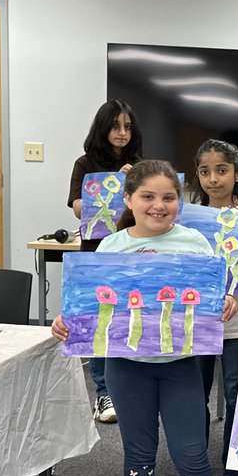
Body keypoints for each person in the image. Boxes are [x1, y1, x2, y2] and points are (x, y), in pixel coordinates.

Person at [51, 159, 238, 476]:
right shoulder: (110, 248)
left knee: (192, 455)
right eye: (148, 197)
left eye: (169, 197)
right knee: (138, 455)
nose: (159, 205)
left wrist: (222, 304)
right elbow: (86, 309)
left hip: (181, 368)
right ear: (130, 200)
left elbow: (213, 299)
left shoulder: (195, 243)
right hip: (127, 369)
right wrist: (67, 322)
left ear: (180, 201)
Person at [186, 138, 238, 476]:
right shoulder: (187, 216)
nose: (212, 178)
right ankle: (194, 474)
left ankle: (236, 475)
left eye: (221, 170)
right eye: (204, 171)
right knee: (191, 396)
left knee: (237, 395)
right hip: (196, 322)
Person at [67, 99, 143, 424]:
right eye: (115, 126)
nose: (122, 132)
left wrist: (133, 181)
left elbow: (148, 208)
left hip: (131, 255)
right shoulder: (85, 164)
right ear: (103, 128)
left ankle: (130, 391)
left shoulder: (140, 166)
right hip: (98, 254)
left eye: (127, 126)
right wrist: (113, 183)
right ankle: (103, 393)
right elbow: (79, 208)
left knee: (129, 322)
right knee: (101, 324)